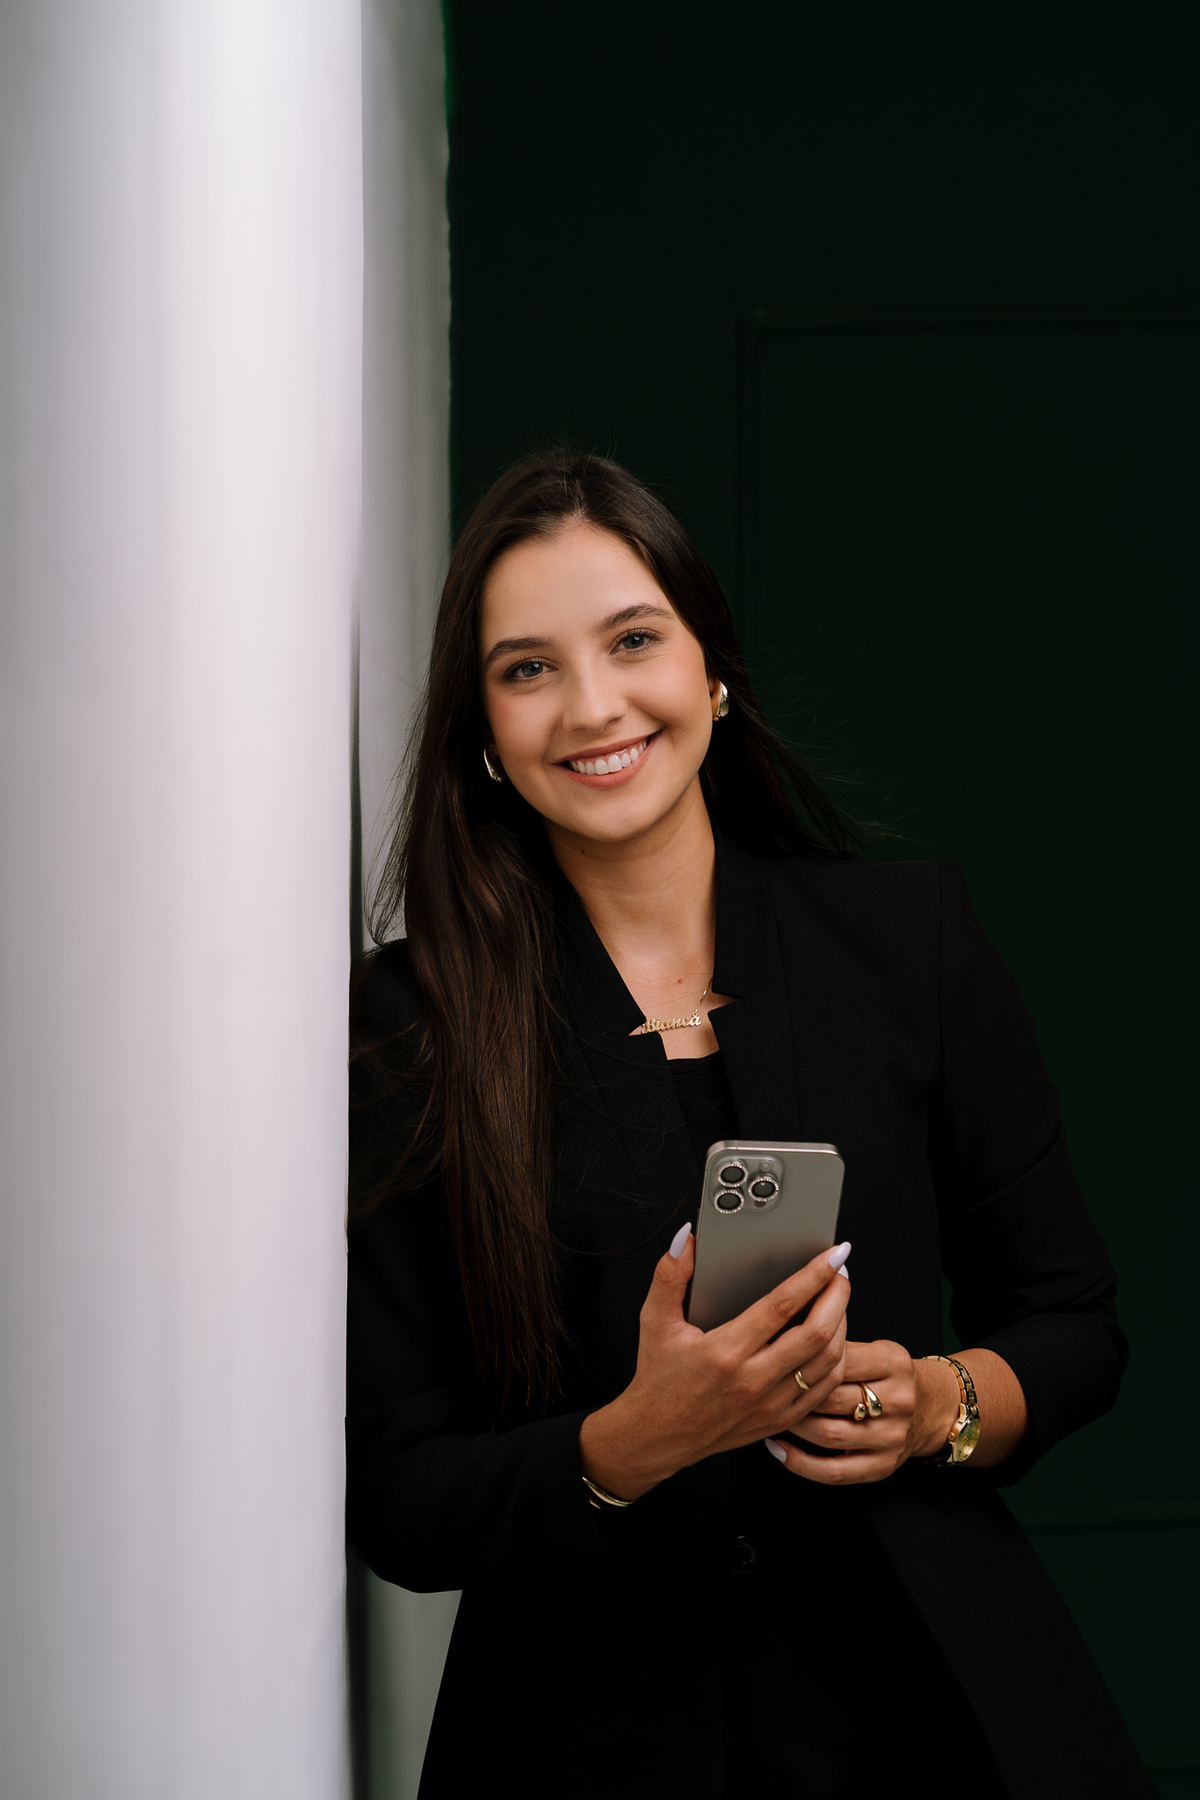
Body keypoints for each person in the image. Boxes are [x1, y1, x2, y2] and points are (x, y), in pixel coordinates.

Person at [347, 452, 1151, 1799]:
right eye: (528, 668)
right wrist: (639, 1437)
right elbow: (401, 1498)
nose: (594, 705)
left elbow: (1073, 1320)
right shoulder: (410, 1022)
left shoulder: (909, 941)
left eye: (634, 640)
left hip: (933, 1711)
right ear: (482, 729)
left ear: (710, 667)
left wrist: (934, 1406)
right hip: (587, 1738)